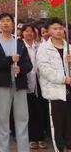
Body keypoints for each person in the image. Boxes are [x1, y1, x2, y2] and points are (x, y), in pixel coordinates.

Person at [0, 12, 32, 152]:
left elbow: (28, 64)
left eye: (8, 20)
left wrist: (21, 69)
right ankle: (3, 149)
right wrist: (10, 59)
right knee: (3, 118)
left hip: (19, 85)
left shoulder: (19, 42)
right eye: (3, 21)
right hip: (2, 85)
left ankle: (24, 149)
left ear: (13, 24)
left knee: (22, 118)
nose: (6, 23)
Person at [36, 17, 71, 152]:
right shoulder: (44, 48)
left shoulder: (68, 47)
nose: (58, 31)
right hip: (55, 92)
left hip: (69, 91)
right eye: (55, 28)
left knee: (69, 123)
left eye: (60, 28)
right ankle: (60, 148)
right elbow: (45, 70)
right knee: (57, 124)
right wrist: (63, 79)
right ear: (49, 30)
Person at [21, 23, 46, 149]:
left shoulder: (39, 46)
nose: (29, 33)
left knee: (40, 111)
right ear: (22, 33)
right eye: (26, 31)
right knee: (28, 112)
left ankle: (40, 138)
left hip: (39, 81)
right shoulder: (20, 47)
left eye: (31, 31)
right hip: (26, 81)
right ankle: (31, 138)